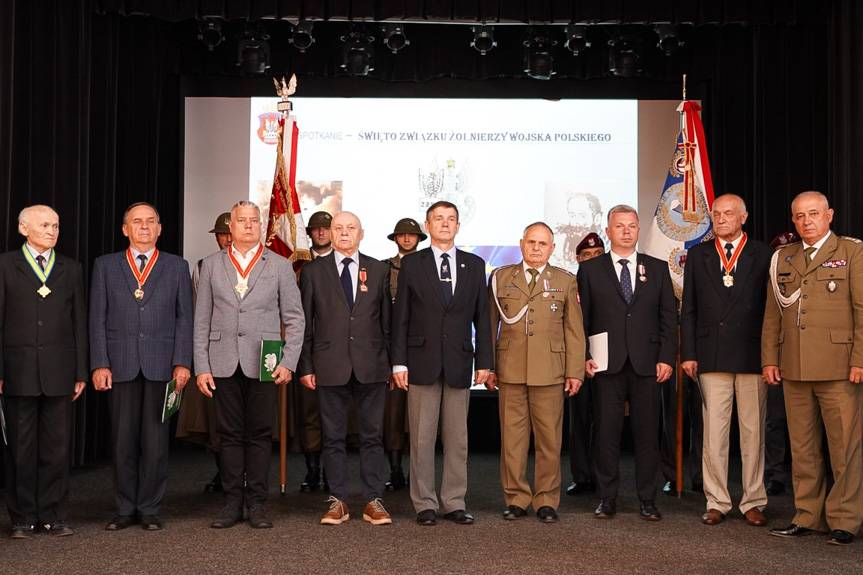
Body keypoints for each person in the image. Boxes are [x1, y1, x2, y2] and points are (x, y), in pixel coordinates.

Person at [194, 200, 304, 529]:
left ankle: (257, 503)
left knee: (259, 434)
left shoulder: (281, 266)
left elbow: (295, 319)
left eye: (254, 221)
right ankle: (231, 502)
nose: (248, 226)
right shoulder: (211, 264)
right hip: (222, 361)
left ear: (261, 226)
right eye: (242, 221)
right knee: (228, 435)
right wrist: (201, 365)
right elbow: (201, 321)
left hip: (265, 361)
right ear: (231, 226)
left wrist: (289, 361)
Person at [763, 191, 863, 546]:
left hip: (839, 367)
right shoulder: (783, 257)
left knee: (844, 449)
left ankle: (845, 520)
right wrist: (770, 359)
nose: (807, 221)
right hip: (795, 366)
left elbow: (861, 310)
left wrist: (859, 360)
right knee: (802, 447)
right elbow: (774, 313)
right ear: (793, 220)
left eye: (814, 214)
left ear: (829, 215)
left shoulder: (852, 252)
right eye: (800, 216)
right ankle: (808, 514)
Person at [89, 202, 193, 531]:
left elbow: (184, 319)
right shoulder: (105, 266)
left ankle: (149, 508)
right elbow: (97, 319)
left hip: (162, 366)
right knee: (121, 441)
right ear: (125, 229)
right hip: (118, 366)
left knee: (155, 441)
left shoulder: (177, 266)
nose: (144, 227)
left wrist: (182, 362)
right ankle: (123, 507)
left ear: (160, 228)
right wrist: (99, 363)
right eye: (137, 222)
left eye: (151, 222)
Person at [391, 200, 493, 526]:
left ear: (458, 226)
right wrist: (398, 363)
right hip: (420, 361)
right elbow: (401, 317)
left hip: (461, 361)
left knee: (457, 438)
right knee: (421, 438)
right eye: (438, 219)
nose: (445, 224)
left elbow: (484, 318)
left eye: (451, 219)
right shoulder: (412, 264)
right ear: (428, 225)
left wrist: (486, 362)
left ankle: (453, 501)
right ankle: (424, 504)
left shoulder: (475, 265)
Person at [577, 204, 677, 521]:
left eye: (631, 225)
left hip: (648, 364)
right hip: (606, 363)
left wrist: (665, 358)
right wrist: (584, 357)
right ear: (608, 231)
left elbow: (668, 320)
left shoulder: (658, 269)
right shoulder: (591, 270)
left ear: (638, 229)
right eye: (619, 226)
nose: (626, 231)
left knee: (647, 434)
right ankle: (607, 497)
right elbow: (582, 320)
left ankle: (647, 498)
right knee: (606, 432)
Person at [680, 194, 772, 527]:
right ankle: (716, 500)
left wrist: (770, 356)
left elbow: (772, 311)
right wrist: (689, 353)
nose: (721, 218)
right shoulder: (698, 254)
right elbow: (688, 308)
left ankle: (753, 500)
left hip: (752, 356)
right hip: (711, 355)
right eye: (716, 214)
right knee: (714, 435)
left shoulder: (764, 254)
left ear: (743, 217)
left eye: (729, 213)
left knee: (752, 432)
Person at [298, 212, 393, 526]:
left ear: (361, 234)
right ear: (329, 233)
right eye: (338, 228)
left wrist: (392, 365)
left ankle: (373, 500)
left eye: (350, 228)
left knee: (372, 436)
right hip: (329, 364)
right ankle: (337, 500)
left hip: (373, 365)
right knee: (333, 437)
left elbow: (387, 324)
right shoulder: (312, 272)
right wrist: (306, 366)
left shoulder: (379, 270)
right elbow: (306, 324)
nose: (343, 233)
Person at [487, 222, 585, 523]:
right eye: (531, 242)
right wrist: (489, 366)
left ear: (552, 248)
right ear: (521, 243)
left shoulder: (565, 281)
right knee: (512, 440)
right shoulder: (501, 278)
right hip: (510, 370)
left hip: (550, 371)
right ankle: (516, 498)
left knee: (549, 441)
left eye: (543, 243)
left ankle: (546, 500)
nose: (536, 248)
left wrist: (575, 371)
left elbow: (574, 330)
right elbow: (491, 324)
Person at [0, 205, 87, 539]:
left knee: (56, 448)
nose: (53, 231)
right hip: (18, 371)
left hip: (60, 372)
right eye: (45, 225)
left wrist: (80, 370)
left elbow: (78, 321)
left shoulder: (70, 268)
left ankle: (54, 514)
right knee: (21, 449)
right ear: (24, 228)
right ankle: (22, 517)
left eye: (56, 225)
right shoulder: (6, 265)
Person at [176, 211, 232, 494]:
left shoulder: (261, 265)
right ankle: (224, 474)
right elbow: (195, 313)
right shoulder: (202, 266)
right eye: (221, 234)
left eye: (229, 233)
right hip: (212, 353)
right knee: (214, 421)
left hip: (244, 353)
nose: (226, 239)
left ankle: (241, 476)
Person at [383, 217, 427, 491]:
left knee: (422, 416)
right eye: (402, 235)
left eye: (412, 235)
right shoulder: (384, 268)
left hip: (422, 347)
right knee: (393, 414)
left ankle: (418, 472)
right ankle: (395, 469)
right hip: (393, 345)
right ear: (396, 238)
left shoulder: (426, 266)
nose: (407, 239)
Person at [295, 210, 332, 492]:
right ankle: (312, 470)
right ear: (309, 233)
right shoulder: (297, 265)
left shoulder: (348, 263)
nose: (321, 232)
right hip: (305, 349)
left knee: (334, 414)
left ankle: (333, 471)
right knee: (308, 414)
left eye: (326, 228)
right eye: (316, 229)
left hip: (336, 351)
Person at [566, 232, 604, 496]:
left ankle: (602, 476)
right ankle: (581, 476)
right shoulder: (569, 284)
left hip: (606, 360)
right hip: (577, 361)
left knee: (604, 421)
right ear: (578, 259)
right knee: (578, 421)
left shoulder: (611, 281)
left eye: (597, 255)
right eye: (586, 256)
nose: (591, 260)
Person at [763, 231, 800, 497]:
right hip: (776, 358)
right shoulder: (770, 276)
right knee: (774, 421)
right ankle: (775, 474)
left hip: (808, 357)